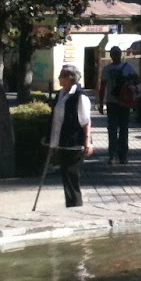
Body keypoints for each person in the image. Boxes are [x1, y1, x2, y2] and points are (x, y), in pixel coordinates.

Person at [45, 63, 93, 207]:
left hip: (74, 144)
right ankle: (70, 205)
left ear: (69, 78)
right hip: (61, 142)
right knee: (66, 176)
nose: (59, 78)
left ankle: (75, 207)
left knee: (72, 177)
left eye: (62, 75)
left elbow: (86, 122)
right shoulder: (61, 94)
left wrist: (87, 142)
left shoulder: (80, 96)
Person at [97, 45, 138, 165]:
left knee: (113, 129)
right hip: (123, 102)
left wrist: (100, 103)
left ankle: (113, 155)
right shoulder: (127, 67)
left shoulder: (107, 69)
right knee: (123, 129)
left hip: (113, 102)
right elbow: (137, 80)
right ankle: (122, 155)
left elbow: (102, 87)